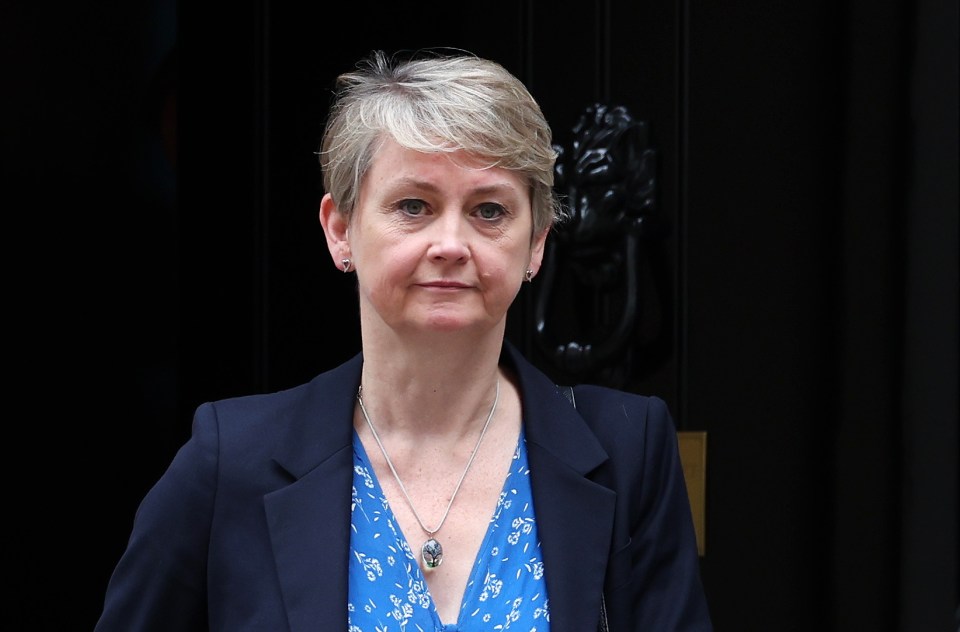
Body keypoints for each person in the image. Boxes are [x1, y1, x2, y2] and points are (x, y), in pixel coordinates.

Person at [94, 49, 712, 631]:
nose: (450, 243)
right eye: (414, 205)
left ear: (538, 242)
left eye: (489, 210)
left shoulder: (629, 448)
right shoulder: (230, 462)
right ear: (340, 231)